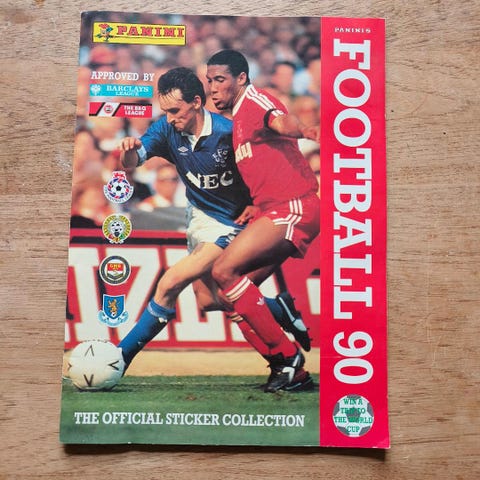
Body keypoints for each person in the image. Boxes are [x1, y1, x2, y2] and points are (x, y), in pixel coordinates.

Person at [118, 67, 312, 391]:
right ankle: (280, 314)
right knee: (210, 301)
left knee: (171, 281)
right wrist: (128, 151)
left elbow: (262, 172)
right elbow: (132, 161)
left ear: (197, 102)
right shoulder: (166, 129)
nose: (169, 118)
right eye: (165, 111)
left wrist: (257, 205)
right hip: (199, 218)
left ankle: (118, 358)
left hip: (232, 223)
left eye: (175, 110)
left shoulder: (228, 133)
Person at [206, 50, 320, 392]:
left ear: (241, 78)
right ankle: (288, 369)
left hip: (295, 206)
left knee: (223, 271)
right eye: (209, 81)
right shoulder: (238, 121)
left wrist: (305, 129)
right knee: (229, 296)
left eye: (220, 80)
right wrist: (255, 205)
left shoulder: (254, 101)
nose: (213, 88)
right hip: (274, 210)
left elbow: (280, 122)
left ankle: (288, 356)